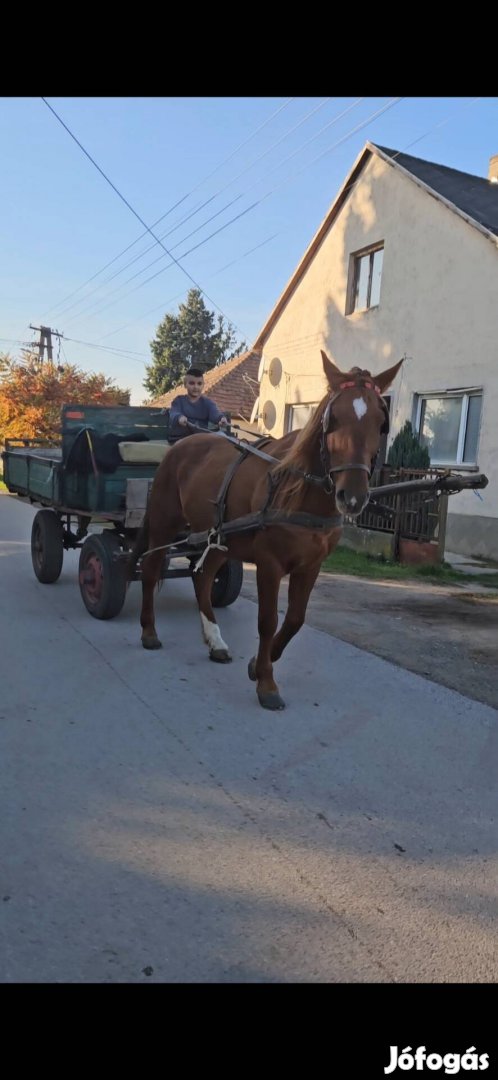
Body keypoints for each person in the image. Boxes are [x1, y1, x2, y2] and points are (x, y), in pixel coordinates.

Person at [168, 367, 229, 440]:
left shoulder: (208, 403)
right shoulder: (179, 401)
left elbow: (215, 414)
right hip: (181, 438)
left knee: (223, 438)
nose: (196, 387)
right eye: (191, 383)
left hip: (201, 439)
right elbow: (174, 412)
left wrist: (221, 418)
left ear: (203, 385)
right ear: (185, 384)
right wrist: (179, 417)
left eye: (199, 384)